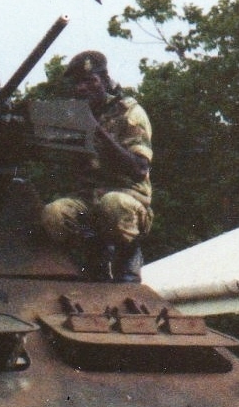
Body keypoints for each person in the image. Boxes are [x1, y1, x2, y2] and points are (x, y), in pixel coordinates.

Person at [38, 50, 154, 283]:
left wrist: (96, 131)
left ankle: (128, 264)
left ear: (105, 81)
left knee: (113, 204)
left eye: (90, 81)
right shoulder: (74, 116)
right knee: (55, 214)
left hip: (128, 200)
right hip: (89, 200)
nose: (82, 88)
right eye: (78, 83)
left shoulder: (129, 112)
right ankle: (95, 261)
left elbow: (139, 168)